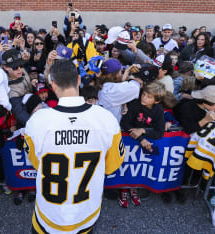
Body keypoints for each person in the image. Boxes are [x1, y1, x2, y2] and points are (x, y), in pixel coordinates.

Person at [25, 59, 125, 233]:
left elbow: (36, 162)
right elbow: (111, 167)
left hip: (49, 214)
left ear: (52, 84)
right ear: (79, 80)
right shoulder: (106, 119)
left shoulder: (37, 121)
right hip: (86, 211)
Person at [119, 81, 166, 207]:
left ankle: (133, 187)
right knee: (125, 165)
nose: (144, 98)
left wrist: (143, 130)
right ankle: (123, 188)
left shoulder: (158, 111)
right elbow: (125, 123)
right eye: (144, 94)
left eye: (149, 97)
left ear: (156, 101)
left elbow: (159, 132)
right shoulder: (134, 104)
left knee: (138, 167)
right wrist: (141, 138)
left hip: (143, 142)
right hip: (129, 140)